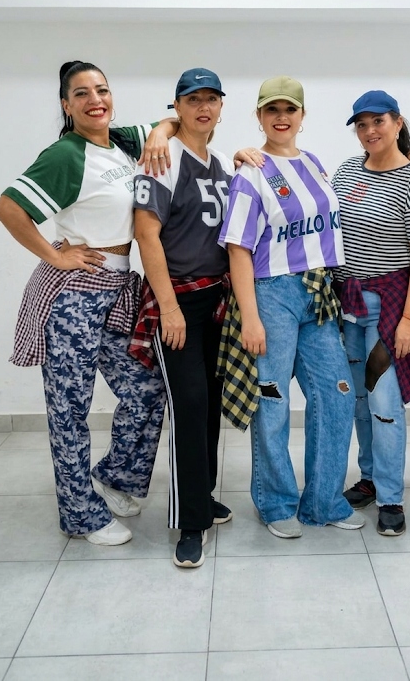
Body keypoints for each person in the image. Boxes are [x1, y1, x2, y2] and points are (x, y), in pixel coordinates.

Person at [0, 60, 175, 546]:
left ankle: (114, 478)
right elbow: (7, 208)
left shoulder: (121, 142)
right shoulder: (66, 154)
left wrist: (161, 134)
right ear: (66, 105)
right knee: (70, 409)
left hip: (116, 288)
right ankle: (80, 515)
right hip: (72, 295)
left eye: (102, 90)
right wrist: (56, 254)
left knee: (146, 390)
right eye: (82, 93)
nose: (96, 100)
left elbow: (171, 120)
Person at [218, 76, 364, 538]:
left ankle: (324, 501)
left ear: (302, 116)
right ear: (259, 116)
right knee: (273, 400)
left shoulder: (315, 163)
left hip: (318, 292)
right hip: (271, 294)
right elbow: (238, 248)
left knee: (337, 393)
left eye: (289, 109)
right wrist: (251, 317)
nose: (281, 117)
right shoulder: (250, 173)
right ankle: (276, 502)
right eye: (271, 110)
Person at [131, 67, 261, 569]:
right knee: (188, 404)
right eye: (192, 99)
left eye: (211, 99)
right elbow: (147, 235)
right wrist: (168, 308)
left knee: (208, 403)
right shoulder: (163, 157)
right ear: (177, 106)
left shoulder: (222, 163)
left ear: (221, 107)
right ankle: (190, 522)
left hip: (218, 301)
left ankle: (201, 494)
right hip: (178, 301)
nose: (203, 107)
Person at [332, 90, 410, 537]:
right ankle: (370, 479)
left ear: (397, 123)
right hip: (348, 303)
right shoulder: (346, 171)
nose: (369, 131)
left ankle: (392, 497)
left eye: (378, 121)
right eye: (361, 124)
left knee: (384, 403)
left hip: (389, 307)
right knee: (358, 400)